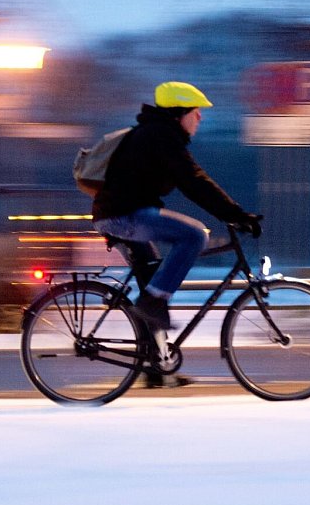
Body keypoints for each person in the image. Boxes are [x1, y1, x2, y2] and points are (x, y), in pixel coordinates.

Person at [92, 81, 262, 336]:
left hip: (117, 215)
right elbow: (194, 182)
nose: (200, 117)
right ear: (179, 113)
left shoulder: (154, 133)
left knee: (152, 285)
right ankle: (153, 301)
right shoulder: (162, 136)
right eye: (195, 111)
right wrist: (236, 215)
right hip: (124, 217)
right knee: (194, 235)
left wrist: (231, 213)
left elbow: (192, 181)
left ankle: (157, 369)